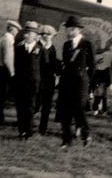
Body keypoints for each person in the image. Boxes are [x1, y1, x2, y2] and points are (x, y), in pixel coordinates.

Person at [57, 16, 95, 149]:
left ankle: (86, 134)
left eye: (69, 29)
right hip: (67, 82)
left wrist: (88, 83)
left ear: (76, 30)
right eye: (67, 29)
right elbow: (66, 64)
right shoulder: (66, 45)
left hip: (81, 82)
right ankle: (66, 140)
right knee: (65, 111)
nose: (68, 32)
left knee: (79, 109)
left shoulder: (87, 44)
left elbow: (92, 66)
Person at [13, 21, 43, 139]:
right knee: (20, 106)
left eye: (30, 33)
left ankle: (28, 130)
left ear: (35, 36)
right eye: (26, 33)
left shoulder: (40, 50)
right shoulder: (19, 48)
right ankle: (21, 130)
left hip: (33, 83)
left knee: (30, 107)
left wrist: (41, 84)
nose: (27, 35)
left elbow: (44, 68)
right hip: (20, 82)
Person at [0, 20, 21, 124]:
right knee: (2, 95)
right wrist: (12, 72)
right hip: (5, 70)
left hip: (1, 69)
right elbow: (7, 58)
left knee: (1, 94)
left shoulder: (5, 38)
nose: (17, 32)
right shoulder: (8, 40)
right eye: (16, 30)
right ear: (12, 29)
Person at [37, 24, 59, 135]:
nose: (46, 36)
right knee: (35, 103)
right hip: (38, 79)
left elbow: (54, 64)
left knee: (46, 105)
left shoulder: (52, 48)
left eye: (48, 34)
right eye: (43, 34)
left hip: (49, 80)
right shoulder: (37, 46)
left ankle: (43, 127)